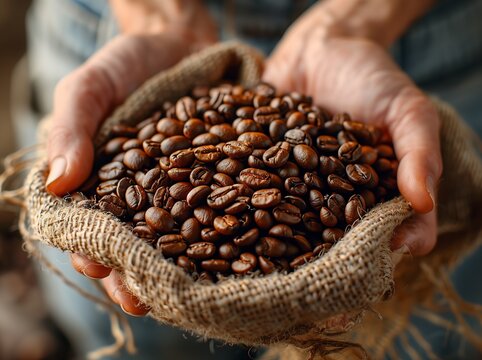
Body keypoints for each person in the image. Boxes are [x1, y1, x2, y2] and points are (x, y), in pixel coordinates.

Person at [24, 0, 481, 358]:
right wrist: (154, 15)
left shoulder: (314, 171)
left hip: (421, 39)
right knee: (135, 341)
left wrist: (358, 19)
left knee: (415, 338)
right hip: (104, 21)